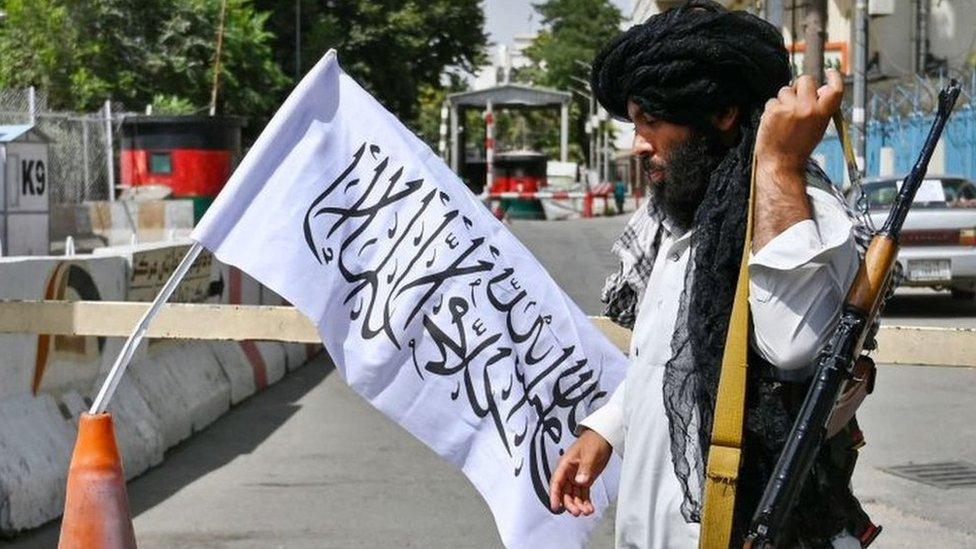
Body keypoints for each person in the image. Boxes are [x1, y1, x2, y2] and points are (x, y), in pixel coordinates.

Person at [547, 2, 877, 547]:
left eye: (651, 121)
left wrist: (777, 165)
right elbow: (667, 364)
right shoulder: (691, 223)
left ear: (722, 114)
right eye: (635, 123)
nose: (637, 143)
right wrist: (605, 429)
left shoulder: (803, 210)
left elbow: (794, 345)